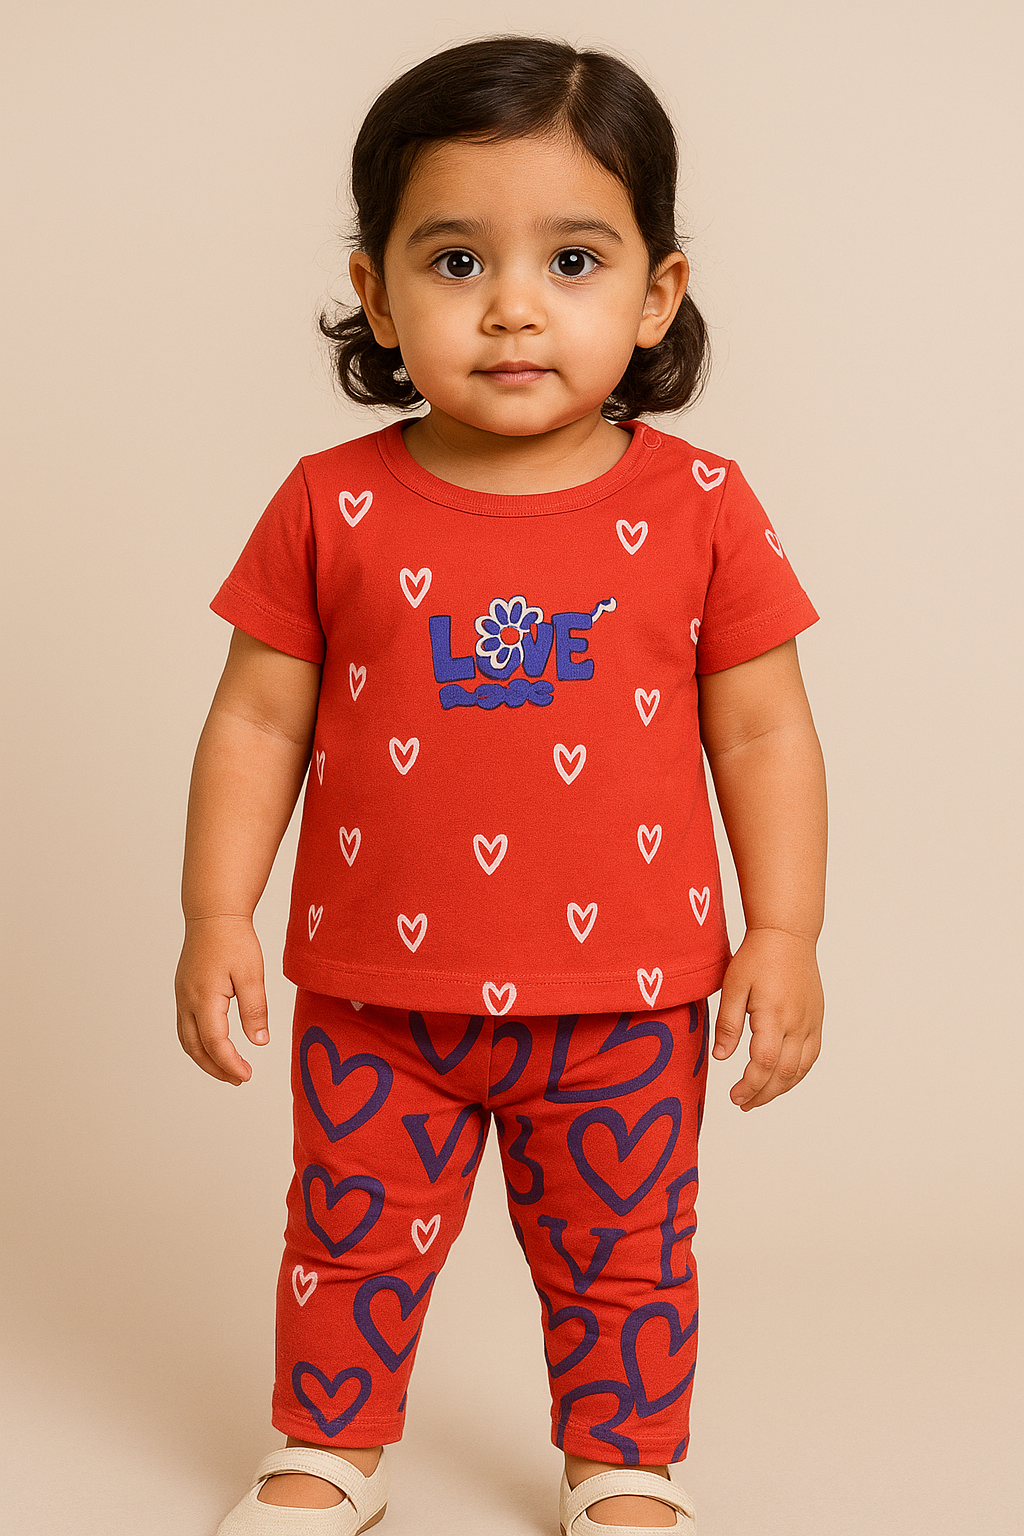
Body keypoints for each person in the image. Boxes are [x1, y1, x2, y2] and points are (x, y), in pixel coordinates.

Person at [175, 35, 826, 1536]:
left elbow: (766, 736)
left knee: (627, 1247)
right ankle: (329, 1448)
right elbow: (256, 724)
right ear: (377, 289)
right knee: (347, 1235)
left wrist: (782, 933)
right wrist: (216, 909)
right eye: (456, 257)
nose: (515, 305)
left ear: (658, 290)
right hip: (372, 994)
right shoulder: (329, 502)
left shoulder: (703, 506)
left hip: (626, 994)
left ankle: (622, 1463)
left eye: (576, 258)